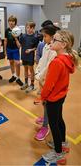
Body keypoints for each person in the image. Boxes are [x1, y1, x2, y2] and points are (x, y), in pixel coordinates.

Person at [41, 30, 78, 164]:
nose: (51, 41)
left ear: (63, 44)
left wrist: (42, 98)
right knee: (59, 120)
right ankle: (63, 144)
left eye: (54, 40)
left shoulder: (57, 62)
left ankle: (58, 153)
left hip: (53, 98)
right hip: (61, 96)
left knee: (53, 125)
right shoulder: (67, 59)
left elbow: (48, 86)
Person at [34, 25, 59, 141]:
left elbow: (48, 66)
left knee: (48, 104)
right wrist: (37, 72)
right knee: (44, 102)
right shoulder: (45, 46)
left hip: (47, 80)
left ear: (52, 36)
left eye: (45, 36)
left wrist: (39, 76)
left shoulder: (54, 51)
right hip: (42, 79)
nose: (44, 38)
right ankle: (45, 118)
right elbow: (41, 62)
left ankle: (45, 126)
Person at [15, 21, 38, 93]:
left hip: (30, 56)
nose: (29, 29)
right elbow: (19, 46)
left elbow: (36, 47)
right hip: (24, 55)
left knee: (31, 69)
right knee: (25, 69)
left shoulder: (35, 37)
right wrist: (16, 39)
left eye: (31, 28)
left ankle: (32, 84)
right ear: (26, 27)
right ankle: (26, 83)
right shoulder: (23, 36)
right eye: (28, 27)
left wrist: (31, 50)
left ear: (33, 28)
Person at [4, 15, 23, 86]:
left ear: (15, 22)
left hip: (15, 49)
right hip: (9, 49)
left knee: (17, 63)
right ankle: (14, 75)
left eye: (13, 21)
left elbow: (19, 45)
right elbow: (5, 41)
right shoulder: (7, 30)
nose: (11, 22)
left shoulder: (18, 31)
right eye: (10, 21)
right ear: (8, 22)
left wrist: (15, 38)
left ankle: (18, 78)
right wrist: (5, 50)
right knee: (11, 62)